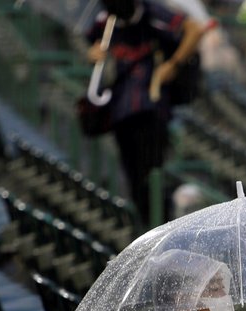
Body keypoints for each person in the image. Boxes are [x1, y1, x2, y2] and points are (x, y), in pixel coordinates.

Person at [85, 0, 205, 228]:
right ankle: (151, 229)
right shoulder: (105, 22)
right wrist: (95, 54)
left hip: (151, 108)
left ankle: (166, 221)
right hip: (121, 110)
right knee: (136, 180)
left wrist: (173, 64)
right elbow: (93, 46)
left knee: (151, 176)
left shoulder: (151, 12)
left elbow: (194, 29)